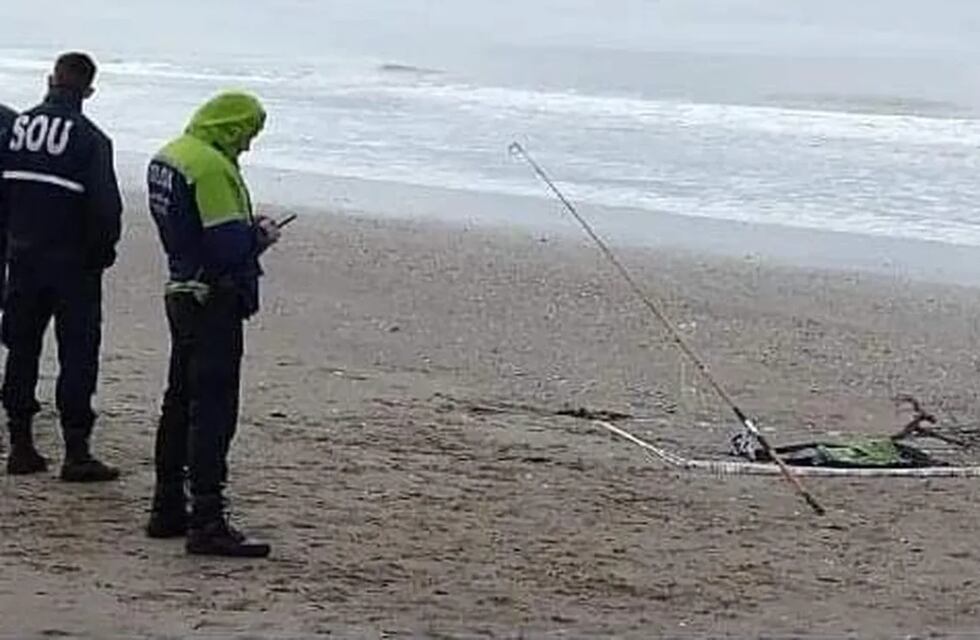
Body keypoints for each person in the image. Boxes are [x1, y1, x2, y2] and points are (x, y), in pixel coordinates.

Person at [145, 91, 280, 557]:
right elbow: (226, 248)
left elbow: (188, 229)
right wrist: (259, 235)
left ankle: (166, 506)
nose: (248, 144)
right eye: (248, 132)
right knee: (214, 409)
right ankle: (207, 519)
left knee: (178, 401)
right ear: (230, 125)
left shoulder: (171, 155)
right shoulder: (210, 167)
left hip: (181, 289)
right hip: (213, 300)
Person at [0, 53, 122, 480]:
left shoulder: (16, 129)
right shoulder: (92, 140)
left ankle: (20, 446)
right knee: (77, 355)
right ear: (88, 91)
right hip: (73, 266)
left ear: (51, 80)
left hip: (23, 258)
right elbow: (105, 210)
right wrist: (101, 255)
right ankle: (76, 453)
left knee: (21, 349)